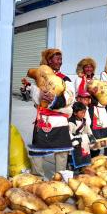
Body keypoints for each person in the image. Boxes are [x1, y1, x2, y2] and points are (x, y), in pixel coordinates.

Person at [28, 48, 75, 177]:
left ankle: (60, 177)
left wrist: (54, 100)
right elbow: (34, 94)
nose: (60, 62)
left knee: (62, 151)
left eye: (61, 59)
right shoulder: (40, 76)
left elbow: (70, 97)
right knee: (38, 149)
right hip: (43, 119)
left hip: (59, 120)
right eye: (57, 59)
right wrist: (39, 95)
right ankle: (37, 177)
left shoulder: (65, 79)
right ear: (49, 61)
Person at [68, 101, 93, 171]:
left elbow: (88, 130)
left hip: (84, 143)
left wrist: (91, 137)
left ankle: (82, 170)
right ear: (75, 113)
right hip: (75, 144)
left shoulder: (84, 121)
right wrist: (74, 141)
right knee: (74, 159)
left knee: (83, 158)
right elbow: (69, 133)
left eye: (84, 112)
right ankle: (73, 170)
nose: (83, 114)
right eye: (82, 112)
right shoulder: (71, 123)